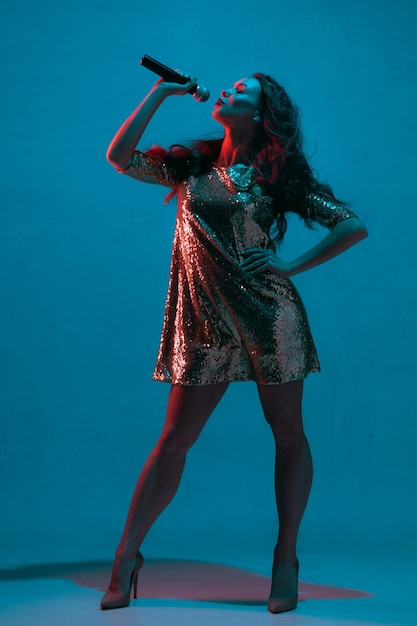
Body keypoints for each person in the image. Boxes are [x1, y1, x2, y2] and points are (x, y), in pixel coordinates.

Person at [100, 71, 367, 614]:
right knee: (174, 439)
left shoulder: (278, 174)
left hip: (270, 318)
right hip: (203, 322)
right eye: (229, 86)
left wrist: (289, 266)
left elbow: (351, 225)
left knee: (288, 432)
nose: (227, 91)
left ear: (261, 112)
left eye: (241, 90)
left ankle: (285, 559)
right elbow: (120, 156)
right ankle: (126, 557)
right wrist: (159, 93)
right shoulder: (190, 164)